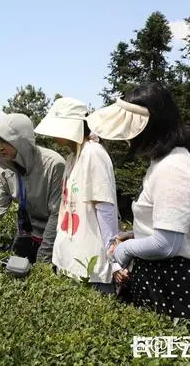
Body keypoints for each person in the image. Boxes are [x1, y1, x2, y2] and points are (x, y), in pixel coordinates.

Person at [87, 83, 190, 335]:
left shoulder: (173, 168)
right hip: (163, 278)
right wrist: (133, 234)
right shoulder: (162, 161)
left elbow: (167, 244)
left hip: (176, 284)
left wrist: (124, 251)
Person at [34, 97, 126, 294]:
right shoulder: (73, 157)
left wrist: (114, 258)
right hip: (70, 260)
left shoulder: (94, 153)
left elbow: (105, 208)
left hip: (90, 267)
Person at [0, 113, 65, 264]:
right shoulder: (2, 168)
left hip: (54, 238)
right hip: (26, 234)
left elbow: (57, 215)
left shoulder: (54, 165)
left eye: (5, 141)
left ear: (22, 141)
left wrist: (43, 257)